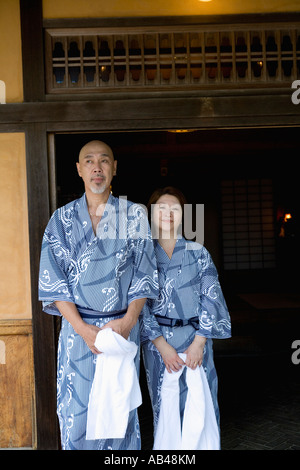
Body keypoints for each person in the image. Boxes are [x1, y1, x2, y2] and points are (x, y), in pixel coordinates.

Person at [38, 140, 158, 450]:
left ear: (114, 167)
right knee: (78, 412)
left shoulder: (133, 215)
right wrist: (82, 329)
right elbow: (54, 282)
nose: (97, 166)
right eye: (89, 161)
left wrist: (129, 321)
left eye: (104, 160)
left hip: (121, 330)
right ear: (79, 169)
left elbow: (144, 275)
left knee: (120, 415)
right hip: (78, 333)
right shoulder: (61, 221)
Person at [141, 186, 231, 449]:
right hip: (158, 344)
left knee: (202, 402)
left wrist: (200, 342)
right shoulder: (143, 255)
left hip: (196, 339)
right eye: (161, 208)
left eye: (174, 208)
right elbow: (139, 305)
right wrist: (162, 346)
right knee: (164, 406)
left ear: (183, 215)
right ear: (151, 213)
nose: (168, 213)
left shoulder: (198, 252)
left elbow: (211, 297)